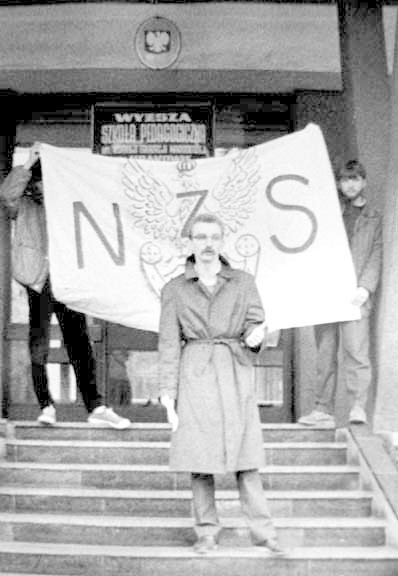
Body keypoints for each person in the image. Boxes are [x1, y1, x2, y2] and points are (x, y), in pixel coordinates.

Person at [158, 213, 283, 555]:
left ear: (222, 241)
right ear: (191, 242)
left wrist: (257, 336)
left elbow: (255, 327)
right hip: (195, 374)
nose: (208, 244)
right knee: (200, 460)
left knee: (246, 459)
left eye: (214, 237)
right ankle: (207, 532)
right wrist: (168, 395)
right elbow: (169, 344)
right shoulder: (174, 290)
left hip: (235, 372)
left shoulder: (243, 282)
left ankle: (263, 532)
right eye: (201, 237)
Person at [0, 143, 130, 429]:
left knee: (79, 342)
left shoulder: (66, 200)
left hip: (67, 277)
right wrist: (30, 159)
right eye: (39, 181)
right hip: (37, 278)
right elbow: (6, 193)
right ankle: (46, 405)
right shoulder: (22, 202)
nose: (43, 188)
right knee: (39, 344)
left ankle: (95, 407)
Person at [299, 160, 382, 428]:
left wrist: (365, 287)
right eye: (346, 180)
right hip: (327, 292)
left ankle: (358, 406)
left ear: (364, 182)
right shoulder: (328, 214)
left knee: (356, 352)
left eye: (356, 179)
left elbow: (376, 254)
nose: (351, 184)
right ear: (338, 183)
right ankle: (322, 410)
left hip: (355, 295)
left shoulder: (373, 217)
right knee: (324, 354)